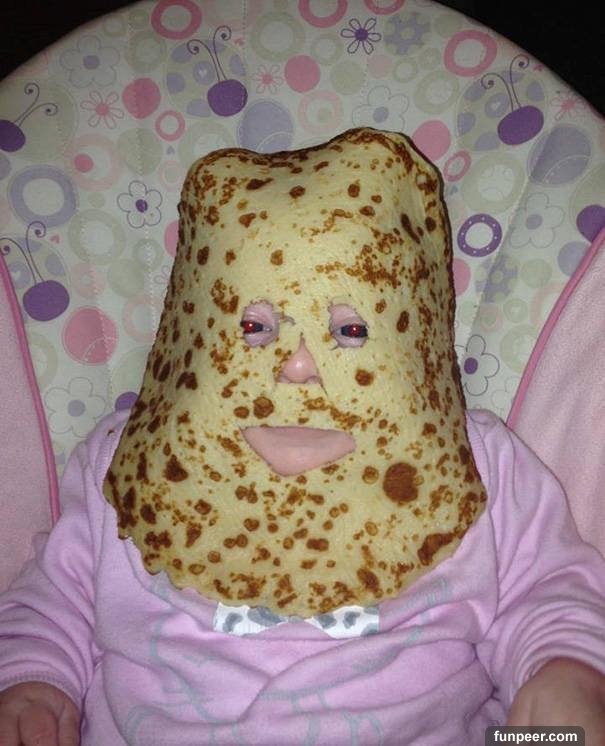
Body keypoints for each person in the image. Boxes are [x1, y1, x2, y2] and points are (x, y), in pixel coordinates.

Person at [0, 128, 604, 745]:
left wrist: (565, 671)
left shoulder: (476, 467)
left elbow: (545, 591)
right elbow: (55, 603)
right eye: (255, 326)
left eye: (349, 330)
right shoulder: (127, 468)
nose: (296, 364)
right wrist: (33, 684)